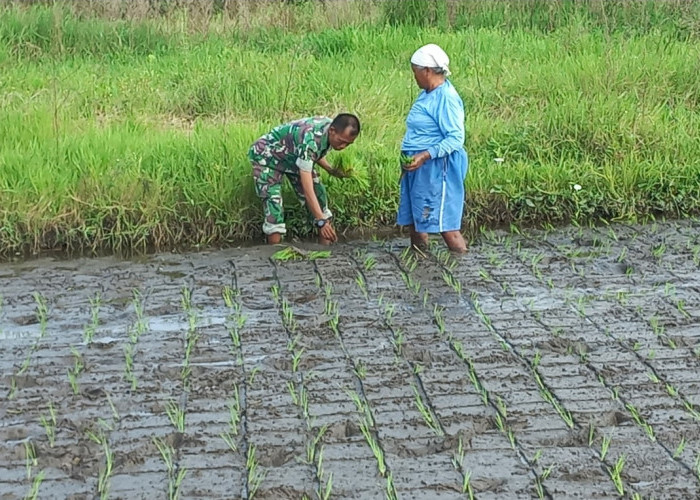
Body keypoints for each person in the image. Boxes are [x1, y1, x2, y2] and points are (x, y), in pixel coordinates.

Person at [398, 43, 469, 253]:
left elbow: (456, 138)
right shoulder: (428, 93)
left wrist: (425, 155)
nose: (414, 77)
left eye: (415, 72)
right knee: (417, 221)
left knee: (447, 226)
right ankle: (420, 264)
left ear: (427, 71)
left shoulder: (446, 97)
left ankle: (462, 265)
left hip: (437, 167)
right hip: (419, 166)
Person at [249, 114, 360, 245]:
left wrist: (331, 170)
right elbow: (307, 189)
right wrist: (321, 221)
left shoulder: (330, 129)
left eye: (348, 144)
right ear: (332, 130)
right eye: (341, 141)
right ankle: (274, 256)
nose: (343, 146)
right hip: (267, 157)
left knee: (320, 197)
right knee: (274, 207)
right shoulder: (311, 139)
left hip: (293, 156)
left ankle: (325, 251)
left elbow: (314, 154)